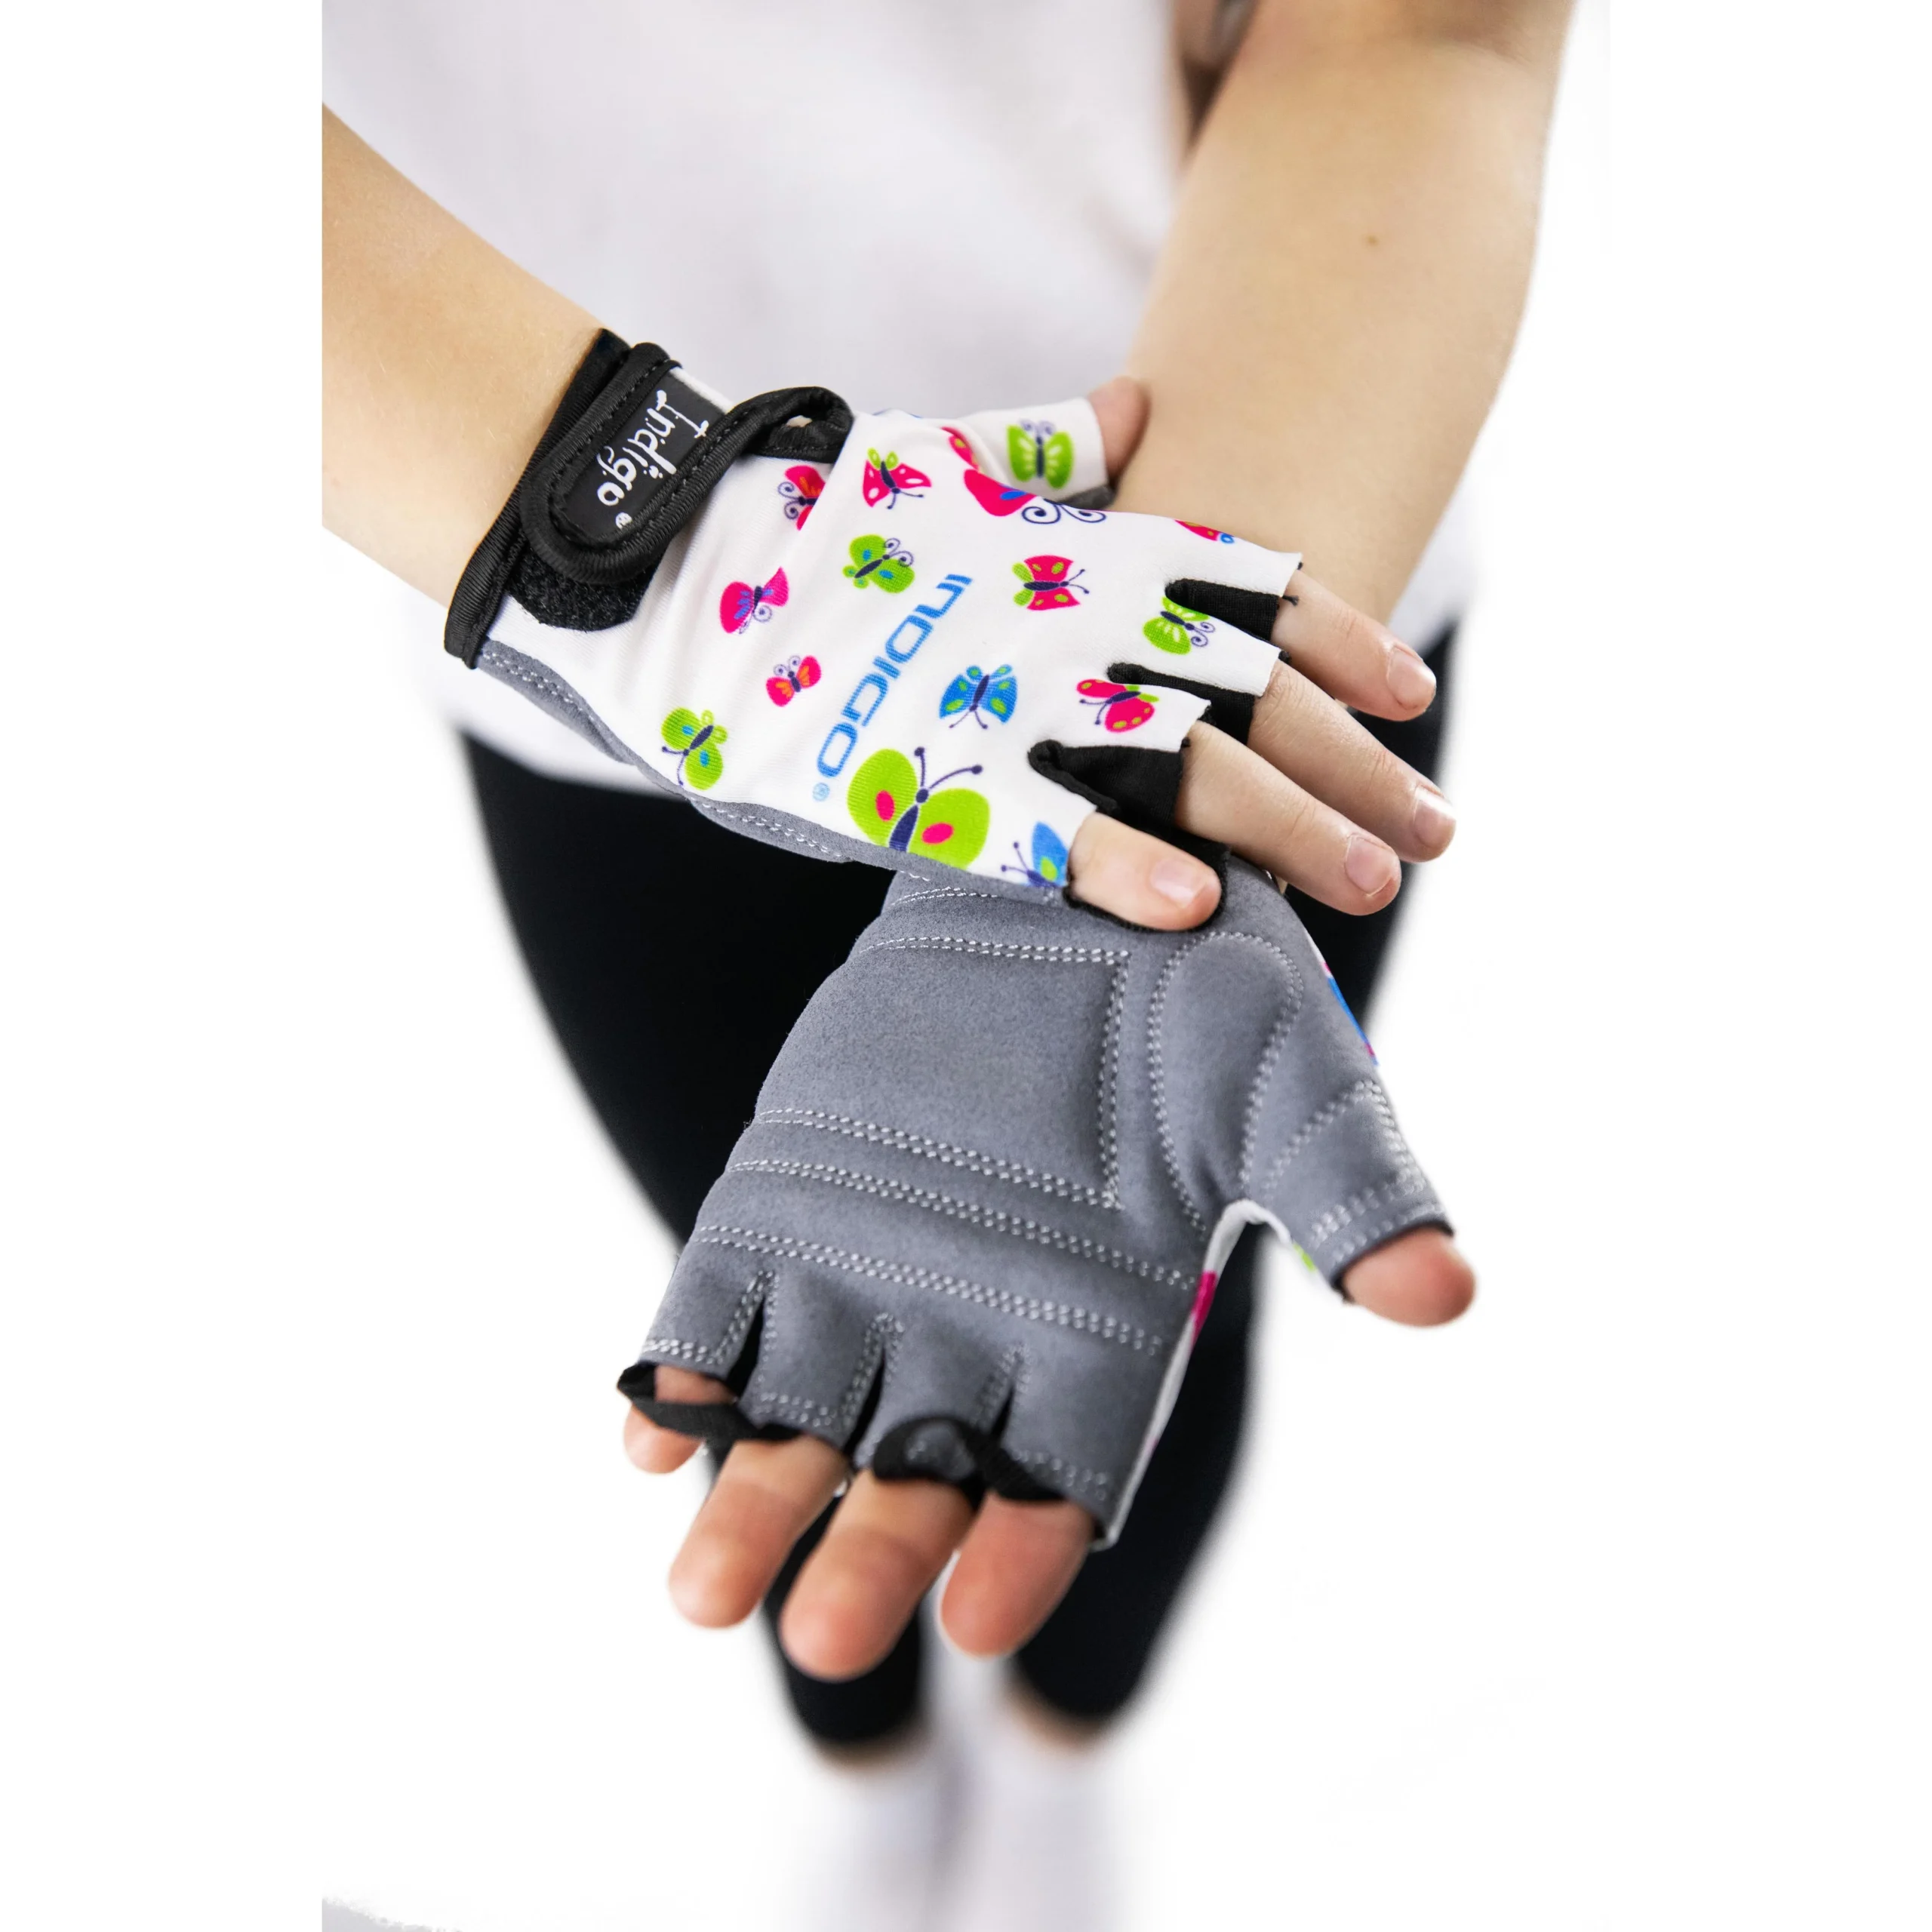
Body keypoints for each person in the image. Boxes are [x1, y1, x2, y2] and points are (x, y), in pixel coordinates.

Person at [323, 2, 1572, 1921]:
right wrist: (677, 553)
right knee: (781, 1342)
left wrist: (1126, 736)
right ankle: (869, 1764)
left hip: (1254, 561)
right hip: (630, 682)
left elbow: (1424, 31)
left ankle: (1069, 1744)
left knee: (1132, 1325)